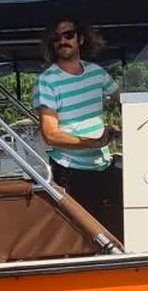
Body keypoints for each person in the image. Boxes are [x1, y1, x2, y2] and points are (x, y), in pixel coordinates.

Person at [33, 17, 125, 241]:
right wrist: (95, 143)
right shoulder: (47, 81)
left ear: (81, 39)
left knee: (123, 222)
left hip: (103, 164)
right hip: (71, 171)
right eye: (56, 37)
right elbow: (50, 135)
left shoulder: (97, 73)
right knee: (82, 238)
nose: (62, 41)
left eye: (68, 35)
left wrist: (123, 127)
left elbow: (124, 100)